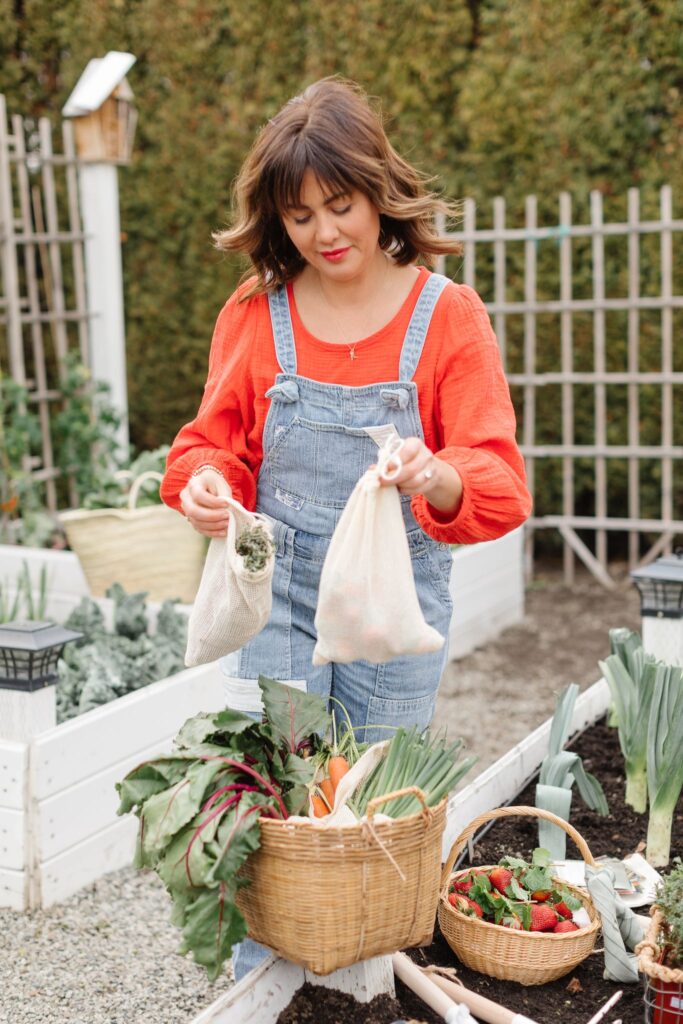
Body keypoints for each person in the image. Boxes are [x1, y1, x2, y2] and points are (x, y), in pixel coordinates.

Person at [160, 76, 532, 979]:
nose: (324, 234)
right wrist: (206, 485)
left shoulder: (448, 316)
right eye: (298, 216)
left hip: (394, 608)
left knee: (376, 813)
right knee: (281, 814)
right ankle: (263, 984)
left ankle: (364, 987)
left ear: (379, 192)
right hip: (281, 603)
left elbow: (497, 477)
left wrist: (437, 472)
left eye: (340, 205)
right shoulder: (256, 314)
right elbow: (212, 445)